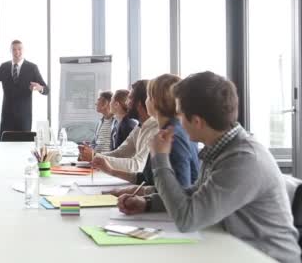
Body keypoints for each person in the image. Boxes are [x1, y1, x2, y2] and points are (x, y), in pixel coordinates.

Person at [117, 72, 300, 263]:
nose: (177, 119)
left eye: (179, 113)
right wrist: (147, 203)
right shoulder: (221, 148)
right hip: (233, 250)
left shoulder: (243, 160)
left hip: (265, 258)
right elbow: (196, 194)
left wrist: (160, 158)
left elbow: (187, 219)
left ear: (197, 121)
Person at [94, 74, 199, 189]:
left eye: (148, 97)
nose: (145, 101)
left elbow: (179, 193)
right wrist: (111, 171)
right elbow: (147, 179)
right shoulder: (163, 130)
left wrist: (145, 197)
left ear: (156, 101)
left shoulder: (172, 136)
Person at [78, 80, 158, 173]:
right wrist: (94, 155)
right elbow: (120, 153)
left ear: (139, 103)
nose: (126, 103)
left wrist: (95, 156)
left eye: (130, 99)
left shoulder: (154, 129)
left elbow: (137, 165)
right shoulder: (139, 127)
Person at [0, 40, 49, 139]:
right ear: (11, 51)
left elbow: (46, 90)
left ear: (23, 50)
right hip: (7, 116)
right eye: (14, 49)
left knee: (23, 148)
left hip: (24, 117)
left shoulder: (32, 68)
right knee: (5, 147)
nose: (17, 52)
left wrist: (40, 88)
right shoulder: (4, 67)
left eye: (19, 49)